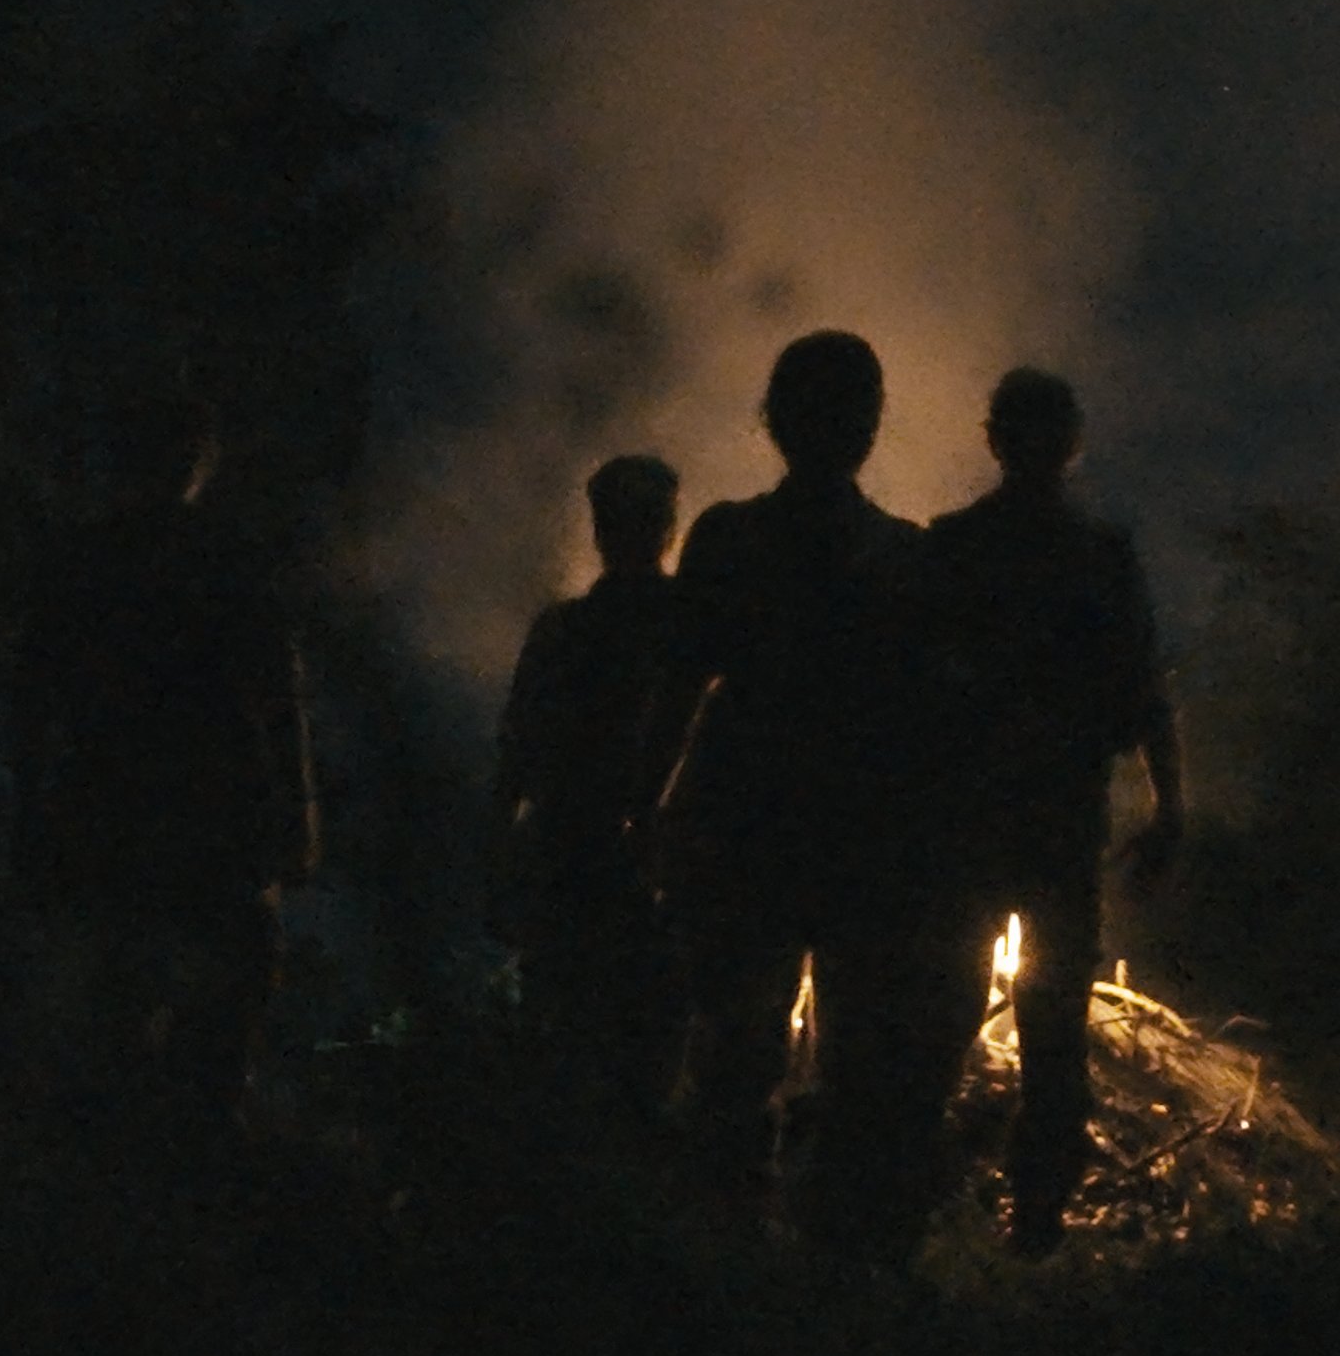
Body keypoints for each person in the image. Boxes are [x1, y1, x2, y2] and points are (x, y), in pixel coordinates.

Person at [657, 330, 942, 1240]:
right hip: (847, 844)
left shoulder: (733, 539)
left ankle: (732, 1261)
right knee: (840, 1070)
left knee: (742, 1064)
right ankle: (820, 1276)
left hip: (764, 836)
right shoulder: (902, 557)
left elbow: (679, 690)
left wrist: (649, 810)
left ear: (771, 420)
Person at [912, 368, 1183, 1255]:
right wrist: (1169, 807)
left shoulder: (960, 546)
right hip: (1043, 824)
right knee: (1044, 1030)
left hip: (985, 826)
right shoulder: (1091, 555)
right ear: (1073, 443)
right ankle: (1024, 1230)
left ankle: (927, 1220)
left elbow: (1142, 687)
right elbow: (1144, 690)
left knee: (956, 1017)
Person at [13, 397, 317, 1141]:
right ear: (199, 467)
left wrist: (31, 815)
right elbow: (281, 701)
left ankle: (125, 1167)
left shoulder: (80, 563)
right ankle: (191, 1160)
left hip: (107, 810)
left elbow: (31, 706)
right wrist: (297, 818)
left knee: (114, 1015)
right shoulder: (230, 561)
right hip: (211, 817)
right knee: (216, 1014)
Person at [491, 454, 693, 1117]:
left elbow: (514, 754)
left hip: (568, 860)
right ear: (669, 530)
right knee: (647, 1057)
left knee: (566, 1046)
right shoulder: (691, 628)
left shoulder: (563, 630)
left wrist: (497, 862)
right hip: (652, 869)